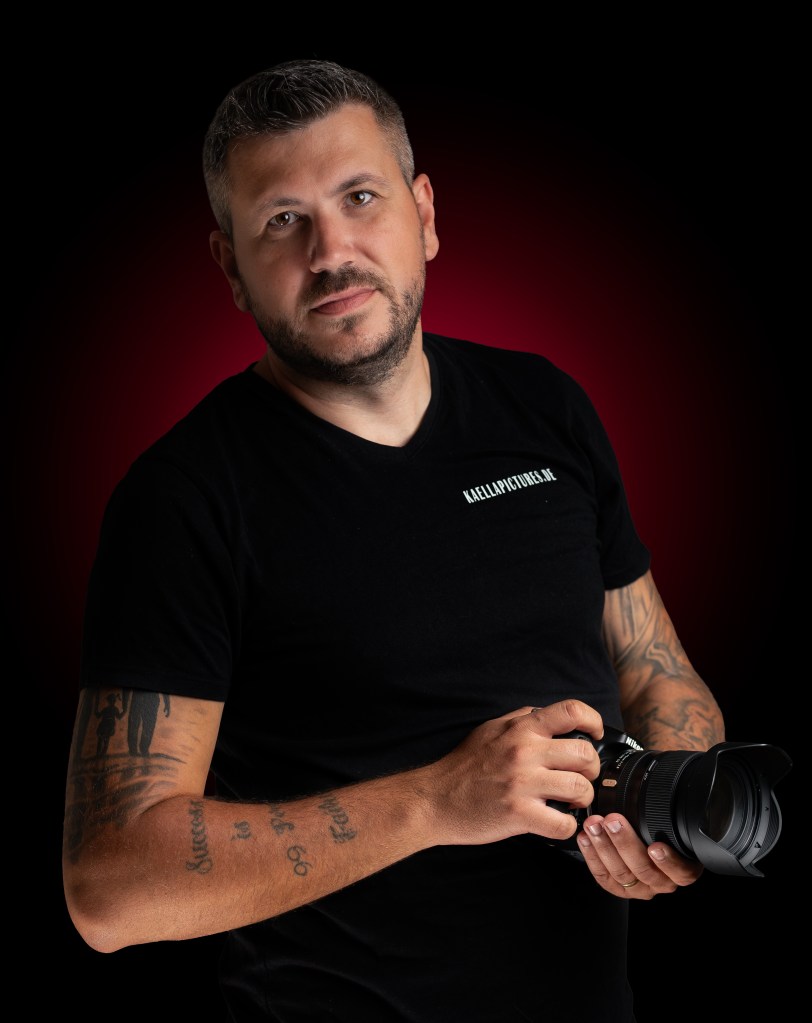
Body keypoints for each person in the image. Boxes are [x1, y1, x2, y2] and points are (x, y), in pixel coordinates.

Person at [62, 59, 725, 1022]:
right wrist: (435, 801)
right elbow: (109, 888)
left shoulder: (543, 406)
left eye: (359, 197)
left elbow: (656, 671)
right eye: (281, 220)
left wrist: (672, 812)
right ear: (230, 266)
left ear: (424, 213)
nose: (331, 251)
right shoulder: (184, 499)